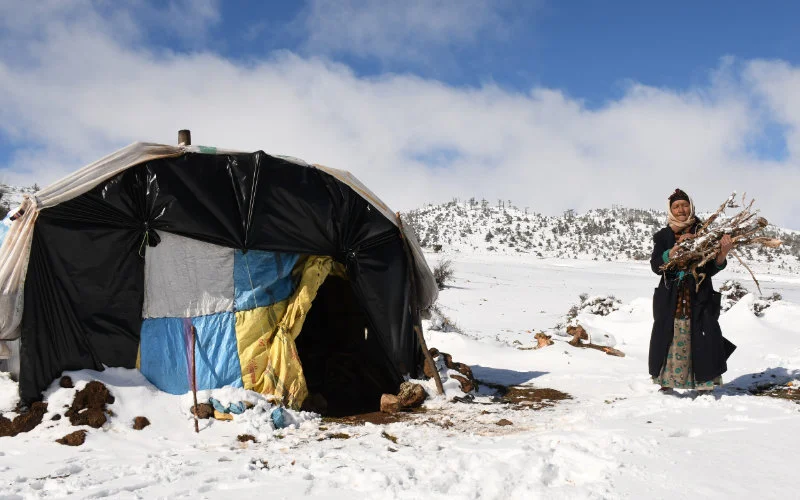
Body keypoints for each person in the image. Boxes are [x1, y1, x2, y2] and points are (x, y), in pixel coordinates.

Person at [649, 188, 736, 394]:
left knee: (702, 336)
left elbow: (712, 268)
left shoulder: (704, 232)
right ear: (670, 210)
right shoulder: (663, 236)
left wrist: (722, 253)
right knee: (670, 335)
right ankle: (667, 381)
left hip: (699, 294)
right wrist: (671, 253)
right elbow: (655, 266)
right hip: (671, 296)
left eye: (684, 205)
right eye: (676, 206)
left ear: (691, 206)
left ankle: (704, 383)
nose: (681, 209)